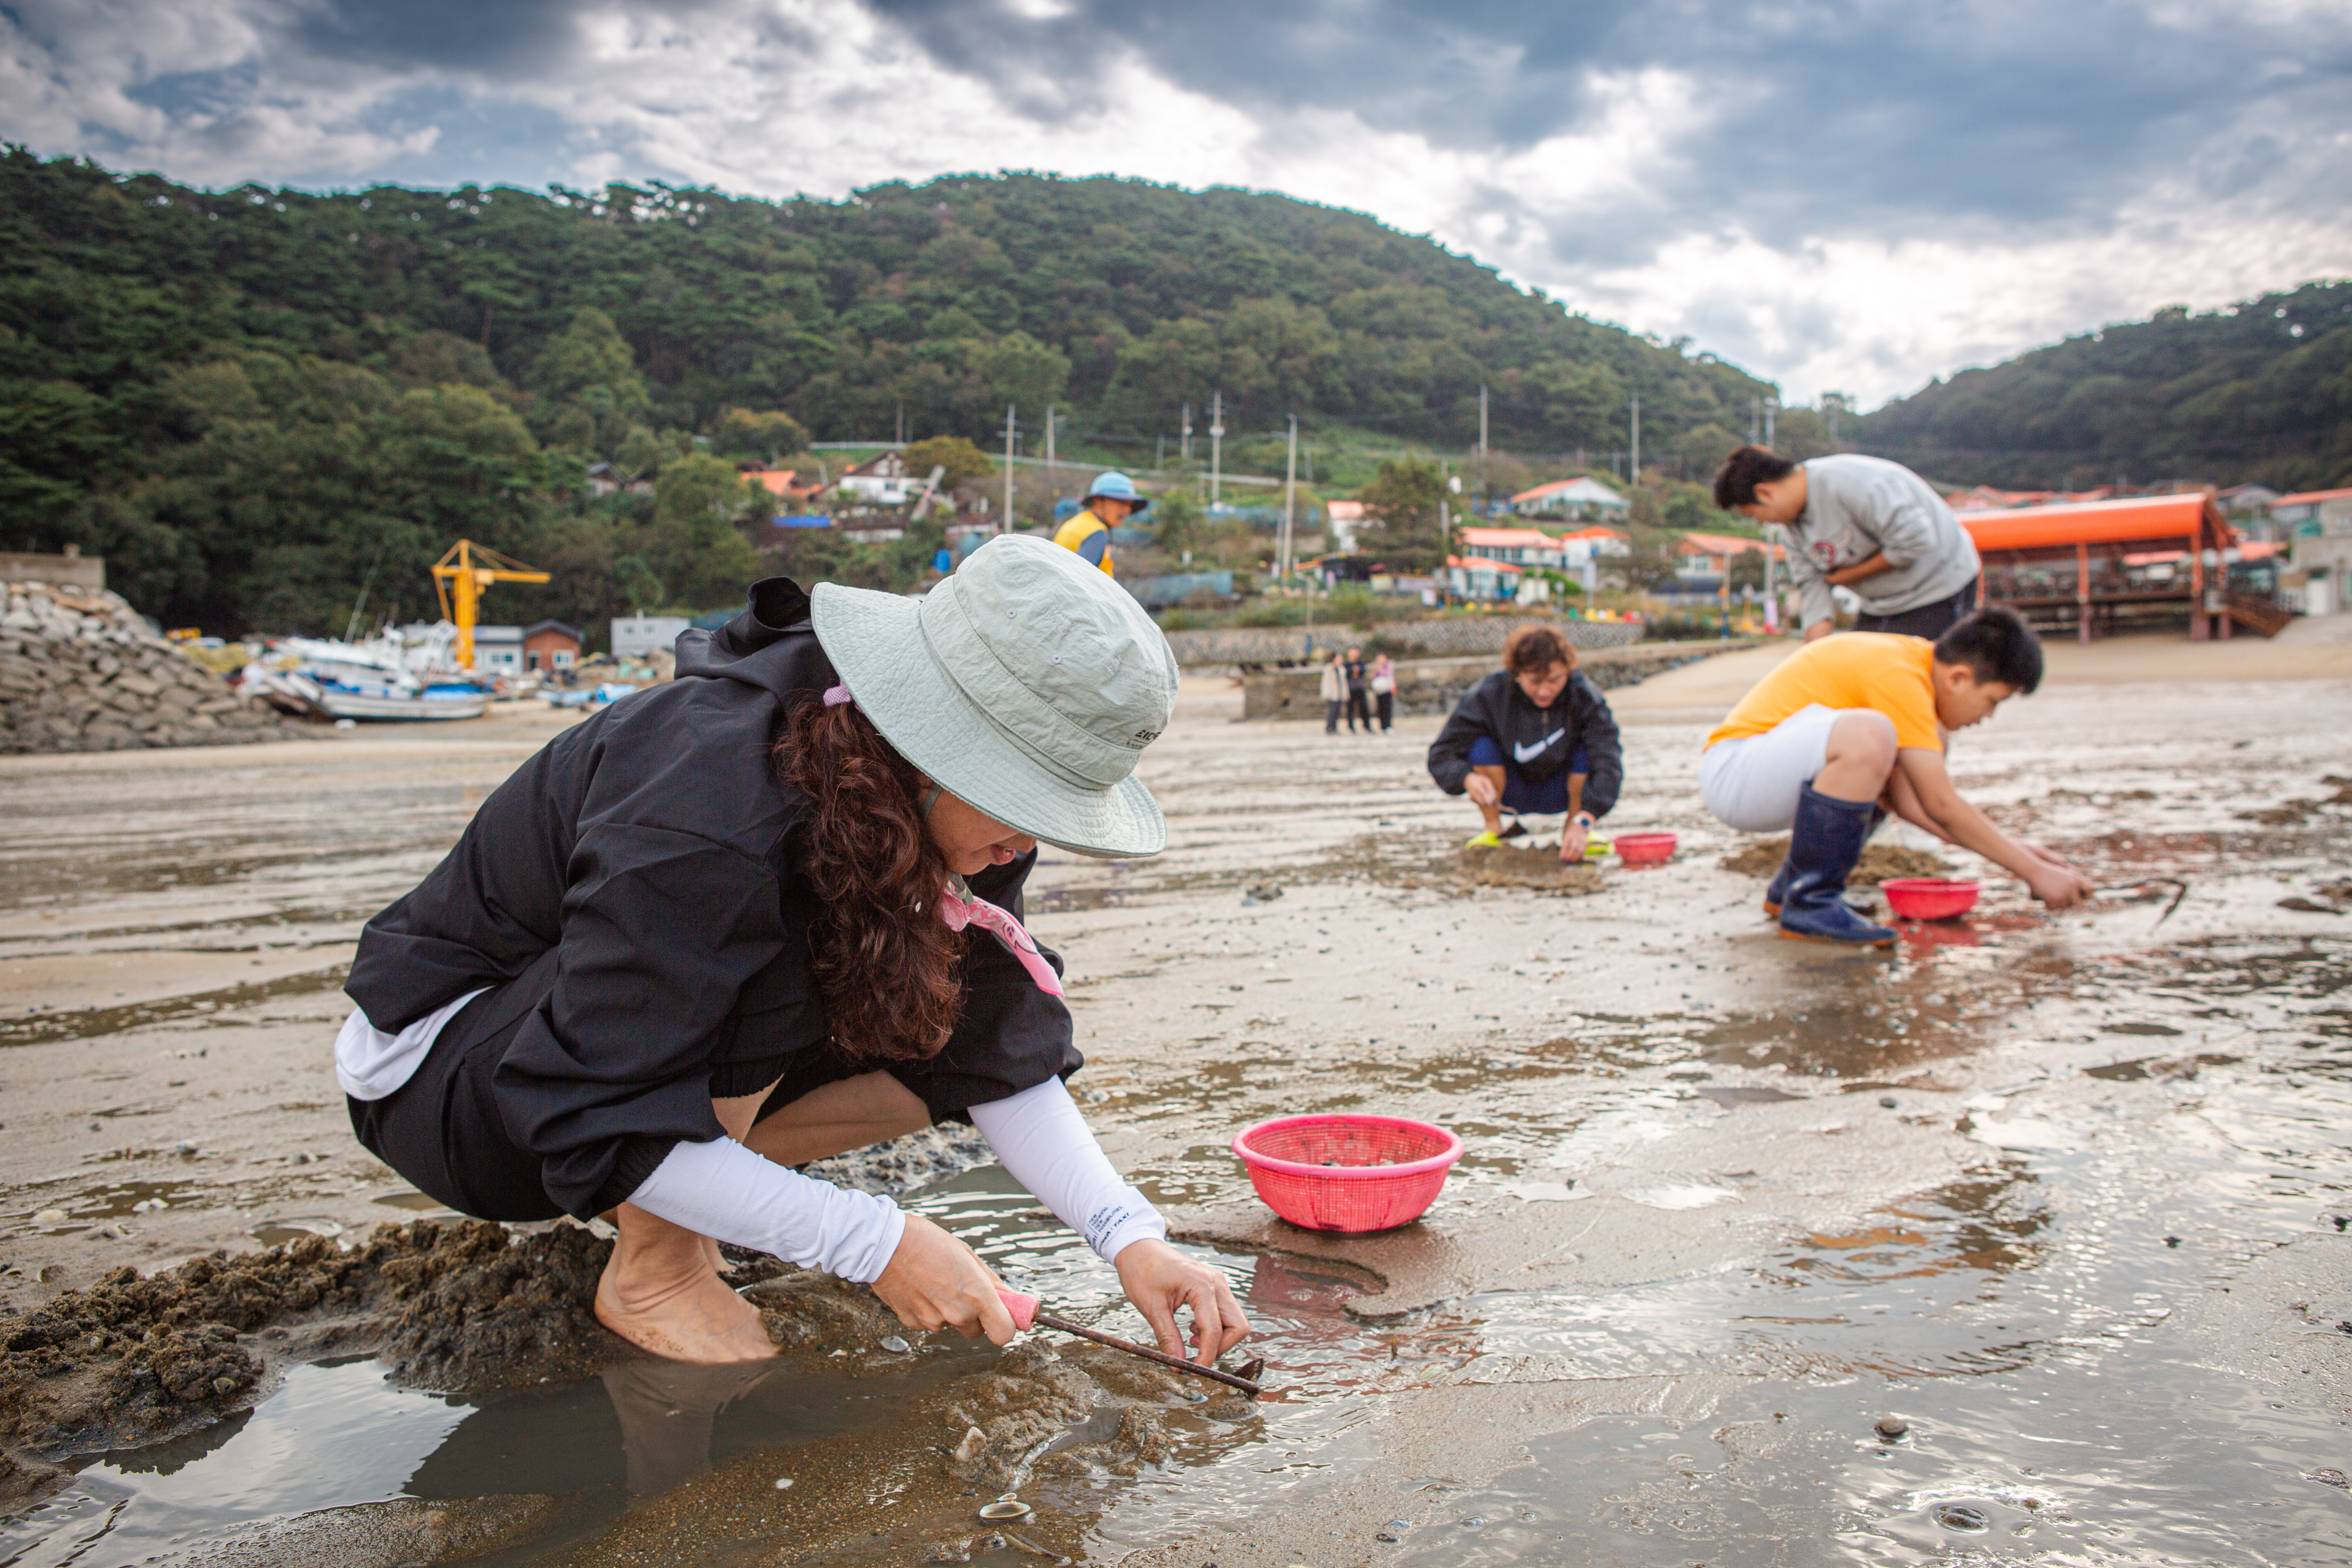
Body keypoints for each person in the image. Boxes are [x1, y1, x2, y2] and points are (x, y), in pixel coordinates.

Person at [334, 537, 1248, 1368]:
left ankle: (690, 1184)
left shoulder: (946, 810)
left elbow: (997, 1044)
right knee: (794, 941)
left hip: (596, 1053)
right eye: (1025, 802)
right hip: (446, 1077)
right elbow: (591, 1105)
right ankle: (657, 1268)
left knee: (940, 1000)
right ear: (935, 751)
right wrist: (882, 1244)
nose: (1028, 843)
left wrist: (1131, 1234)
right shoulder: (715, 809)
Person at [1700, 604, 2094, 946]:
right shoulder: (1901, 675)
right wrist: (2032, 872)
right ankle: (1811, 904)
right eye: (1992, 701)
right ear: (1957, 678)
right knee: (1873, 735)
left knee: (1886, 761)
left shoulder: (1914, 670)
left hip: (1760, 777)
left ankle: (1792, 892)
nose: (1987, 717)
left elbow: (1912, 805)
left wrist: (2026, 857)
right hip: (1736, 774)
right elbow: (1941, 804)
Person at [1714, 446, 1982, 642]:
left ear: (1765, 492)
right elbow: (1813, 588)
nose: (1761, 523)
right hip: (1880, 604)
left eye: (1753, 515)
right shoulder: (1791, 529)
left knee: (1918, 686)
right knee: (1858, 676)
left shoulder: (1854, 484)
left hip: (1938, 586)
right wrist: (1811, 662)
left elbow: (1915, 542)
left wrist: (1846, 577)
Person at [1428, 624, 1624, 863]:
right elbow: (1441, 754)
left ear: (1568, 671)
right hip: (1509, 791)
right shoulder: (1489, 695)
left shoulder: (1584, 696)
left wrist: (1586, 818)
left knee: (1588, 752)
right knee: (1480, 747)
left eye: (1555, 680)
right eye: (1535, 681)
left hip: (1563, 791)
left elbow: (1609, 760)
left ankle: (1575, 831)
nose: (1544, 691)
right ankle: (1493, 828)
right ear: (1517, 673)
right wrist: (1466, 778)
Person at [1051, 471, 1149, 577]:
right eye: (1122, 502)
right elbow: (1078, 580)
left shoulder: (1079, 523)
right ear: (1099, 501)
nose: (1128, 511)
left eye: (1130, 505)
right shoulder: (1096, 533)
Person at [1342, 646, 1372, 733]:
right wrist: (1353, 671)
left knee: (1364, 707)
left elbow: (1363, 672)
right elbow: (1347, 674)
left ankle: (1367, 726)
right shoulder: (1346, 664)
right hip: (1350, 689)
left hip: (1360, 688)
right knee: (1350, 709)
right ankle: (1351, 727)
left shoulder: (1361, 663)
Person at [1319, 650, 1345, 734]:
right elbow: (1325, 682)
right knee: (1332, 711)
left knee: (1338, 711)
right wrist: (1325, 693)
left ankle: (1334, 728)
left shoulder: (1341, 669)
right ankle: (1329, 727)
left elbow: (1344, 683)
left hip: (1339, 693)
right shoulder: (1329, 668)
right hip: (1332, 693)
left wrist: (1346, 693)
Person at [1370, 654, 1396, 732]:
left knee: (1388, 708)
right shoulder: (1376, 667)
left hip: (1387, 689)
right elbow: (1373, 677)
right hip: (1379, 691)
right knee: (1380, 708)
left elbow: (1387, 675)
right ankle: (1383, 726)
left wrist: (1380, 668)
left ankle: (1388, 725)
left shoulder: (1389, 666)